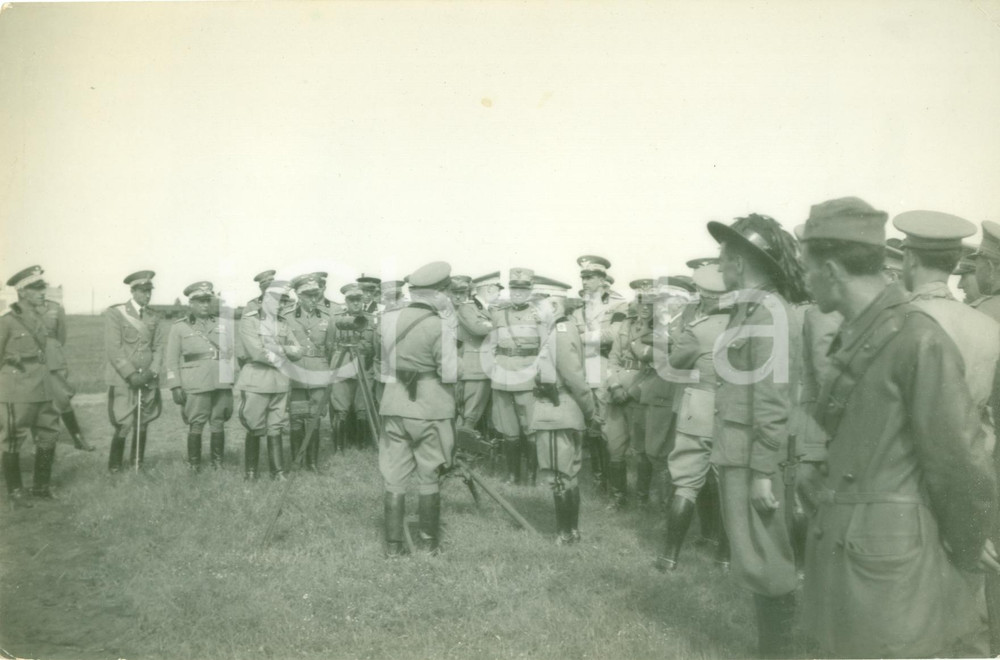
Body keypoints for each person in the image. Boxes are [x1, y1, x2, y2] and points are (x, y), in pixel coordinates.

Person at [797, 197, 999, 658]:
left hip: (888, 567)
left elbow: (960, 460)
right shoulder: (863, 332)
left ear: (829, 269)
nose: (805, 280)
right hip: (854, 552)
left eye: (807, 269)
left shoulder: (916, 337)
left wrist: (967, 547)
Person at [707, 213, 807, 658]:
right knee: (756, 561)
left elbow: (772, 398)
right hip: (740, 452)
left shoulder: (770, 312)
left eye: (724, 256)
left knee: (768, 564)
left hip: (753, 458)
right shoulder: (754, 308)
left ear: (742, 261)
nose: (720, 264)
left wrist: (763, 471)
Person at [378, 261, 458, 556]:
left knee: (394, 475)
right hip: (430, 405)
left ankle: (393, 545)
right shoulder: (441, 324)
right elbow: (449, 373)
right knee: (429, 474)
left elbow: (385, 365)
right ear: (439, 293)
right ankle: (427, 544)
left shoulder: (387, 320)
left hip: (394, 401)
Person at [655, 260, 730, 571]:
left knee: (686, 483)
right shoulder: (753, 326)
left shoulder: (699, 330)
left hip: (698, 411)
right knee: (729, 486)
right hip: (735, 413)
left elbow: (672, 368)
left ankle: (670, 557)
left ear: (705, 296)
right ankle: (724, 559)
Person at [530, 276, 595, 544]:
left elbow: (575, 378)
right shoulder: (557, 331)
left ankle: (564, 533)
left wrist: (590, 411)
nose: (534, 309)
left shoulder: (560, 334)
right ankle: (571, 532)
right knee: (565, 474)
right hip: (559, 410)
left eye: (538, 304)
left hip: (557, 412)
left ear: (555, 307)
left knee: (559, 474)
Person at [1, 267, 62, 506]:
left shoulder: (40, 317)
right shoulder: (6, 322)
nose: (42, 292)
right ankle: (15, 491)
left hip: (43, 387)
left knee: (48, 435)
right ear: (22, 292)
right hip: (17, 389)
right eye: (36, 288)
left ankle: (41, 487)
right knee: (14, 439)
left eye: (42, 287)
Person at [164, 281, 236, 471]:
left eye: (207, 300)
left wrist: (230, 380)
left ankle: (217, 464)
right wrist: (175, 385)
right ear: (191, 303)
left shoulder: (222, 324)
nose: (205, 304)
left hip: (221, 380)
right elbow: (171, 359)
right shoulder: (179, 327)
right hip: (196, 381)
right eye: (200, 301)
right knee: (196, 422)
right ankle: (194, 464)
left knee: (218, 421)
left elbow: (229, 353)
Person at [235, 282, 302, 479]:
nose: (282, 306)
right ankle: (251, 472)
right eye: (278, 301)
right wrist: (285, 352)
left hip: (280, 382)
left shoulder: (283, 323)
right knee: (254, 426)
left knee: (276, 426)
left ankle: (278, 472)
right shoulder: (250, 321)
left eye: (284, 302)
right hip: (257, 381)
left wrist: (279, 350)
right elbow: (256, 353)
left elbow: (298, 350)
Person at [573, 255, 628, 493]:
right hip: (583, 366)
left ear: (603, 279)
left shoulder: (618, 305)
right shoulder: (579, 308)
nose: (585, 282)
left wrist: (579, 338)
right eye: (583, 277)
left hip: (603, 363)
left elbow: (613, 335)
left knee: (607, 423)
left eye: (591, 277)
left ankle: (612, 481)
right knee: (591, 422)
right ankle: (598, 477)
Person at [105, 270, 165, 472]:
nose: (147, 295)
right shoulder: (116, 313)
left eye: (149, 291)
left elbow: (158, 348)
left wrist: (152, 372)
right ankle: (114, 467)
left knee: (144, 420)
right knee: (124, 422)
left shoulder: (154, 316)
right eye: (142, 290)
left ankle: (137, 463)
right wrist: (131, 375)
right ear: (133, 291)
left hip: (148, 377)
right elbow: (114, 348)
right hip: (125, 379)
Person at [604, 278, 656, 510]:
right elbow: (613, 358)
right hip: (617, 394)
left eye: (650, 302)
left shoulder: (661, 330)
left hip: (641, 394)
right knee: (615, 446)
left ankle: (642, 499)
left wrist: (633, 391)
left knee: (642, 449)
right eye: (640, 300)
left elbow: (657, 368)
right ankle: (618, 498)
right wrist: (614, 385)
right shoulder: (626, 325)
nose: (644, 306)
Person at [490, 268, 541, 485]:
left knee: (530, 426)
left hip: (527, 374)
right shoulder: (499, 314)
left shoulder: (538, 315)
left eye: (523, 289)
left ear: (529, 291)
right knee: (508, 426)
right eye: (514, 288)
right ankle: (512, 475)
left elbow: (545, 347)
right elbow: (491, 344)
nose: (518, 293)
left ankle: (531, 476)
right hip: (502, 373)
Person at [28, 285, 94, 451]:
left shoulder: (55, 308)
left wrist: (52, 349)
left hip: (53, 359)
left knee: (62, 398)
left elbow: (61, 336)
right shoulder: (21, 310)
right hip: (30, 358)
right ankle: (38, 438)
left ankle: (78, 438)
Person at [284, 274, 333, 471]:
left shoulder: (327, 317)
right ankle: (297, 461)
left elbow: (330, 347)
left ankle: (312, 463)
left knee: (314, 418)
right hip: (295, 373)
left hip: (319, 371)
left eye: (316, 295)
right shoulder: (286, 316)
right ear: (298, 295)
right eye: (308, 295)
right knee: (296, 417)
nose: (313, 299)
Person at [326, 283, 376, 451]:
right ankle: (340, 445)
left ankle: (362, 444)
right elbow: (329, 344)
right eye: (352, 300)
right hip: (342, 365)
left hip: (364, 366)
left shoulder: (371, 319)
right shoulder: (337, 318)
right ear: (346, 301)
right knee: (341, 408)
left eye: (359, 300)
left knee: (362, 408)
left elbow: (374, 346)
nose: (356, 303)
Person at [451, 275, 493, 434]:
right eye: (453, 292)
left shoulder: (475, 310)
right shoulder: (441, 312)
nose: (457, 296)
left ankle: (462, 447)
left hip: (469, 365)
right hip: (451, 366)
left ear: (468, 293)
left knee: (469, 413)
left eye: (462, 292)